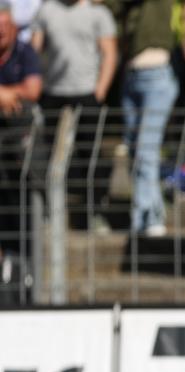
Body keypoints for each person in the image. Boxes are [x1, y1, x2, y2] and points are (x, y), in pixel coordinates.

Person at [105, 0, 185, 236]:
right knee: (136, 151)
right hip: (131, 74)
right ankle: (149, 213)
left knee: (146, 148)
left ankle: (147, 217)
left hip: (159, 74)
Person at [31, 0, 118, 230]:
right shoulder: (47, 10)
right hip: (53, 94)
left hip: (87, 93)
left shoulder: (98, 13)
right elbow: (34, 51)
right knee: (48, 155)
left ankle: (95, 212)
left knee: (91, 156)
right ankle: (48, 211)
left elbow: (109, 53)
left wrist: (100, 90)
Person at [0, 3, 41, 273]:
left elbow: (33, 90)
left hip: (16, 154)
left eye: (4, 27)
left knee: (20, 207)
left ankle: (18, 266)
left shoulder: (25, 53)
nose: (0, 33)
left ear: (14, 28)